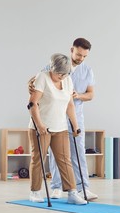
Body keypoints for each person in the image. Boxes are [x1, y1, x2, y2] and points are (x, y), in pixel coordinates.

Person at [29, 38, 98, 201]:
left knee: (69, 156)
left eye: (84, 56)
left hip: (66, 120)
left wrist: (75, 125)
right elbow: (34, 96)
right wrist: (39, 124)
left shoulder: (76, 75)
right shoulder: (47, 71)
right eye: (79, 54)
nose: (81, 58)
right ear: (72, 50)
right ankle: (52, 188)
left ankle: (77, 190)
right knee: (45, 156)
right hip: (46, 121)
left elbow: (72, 105)